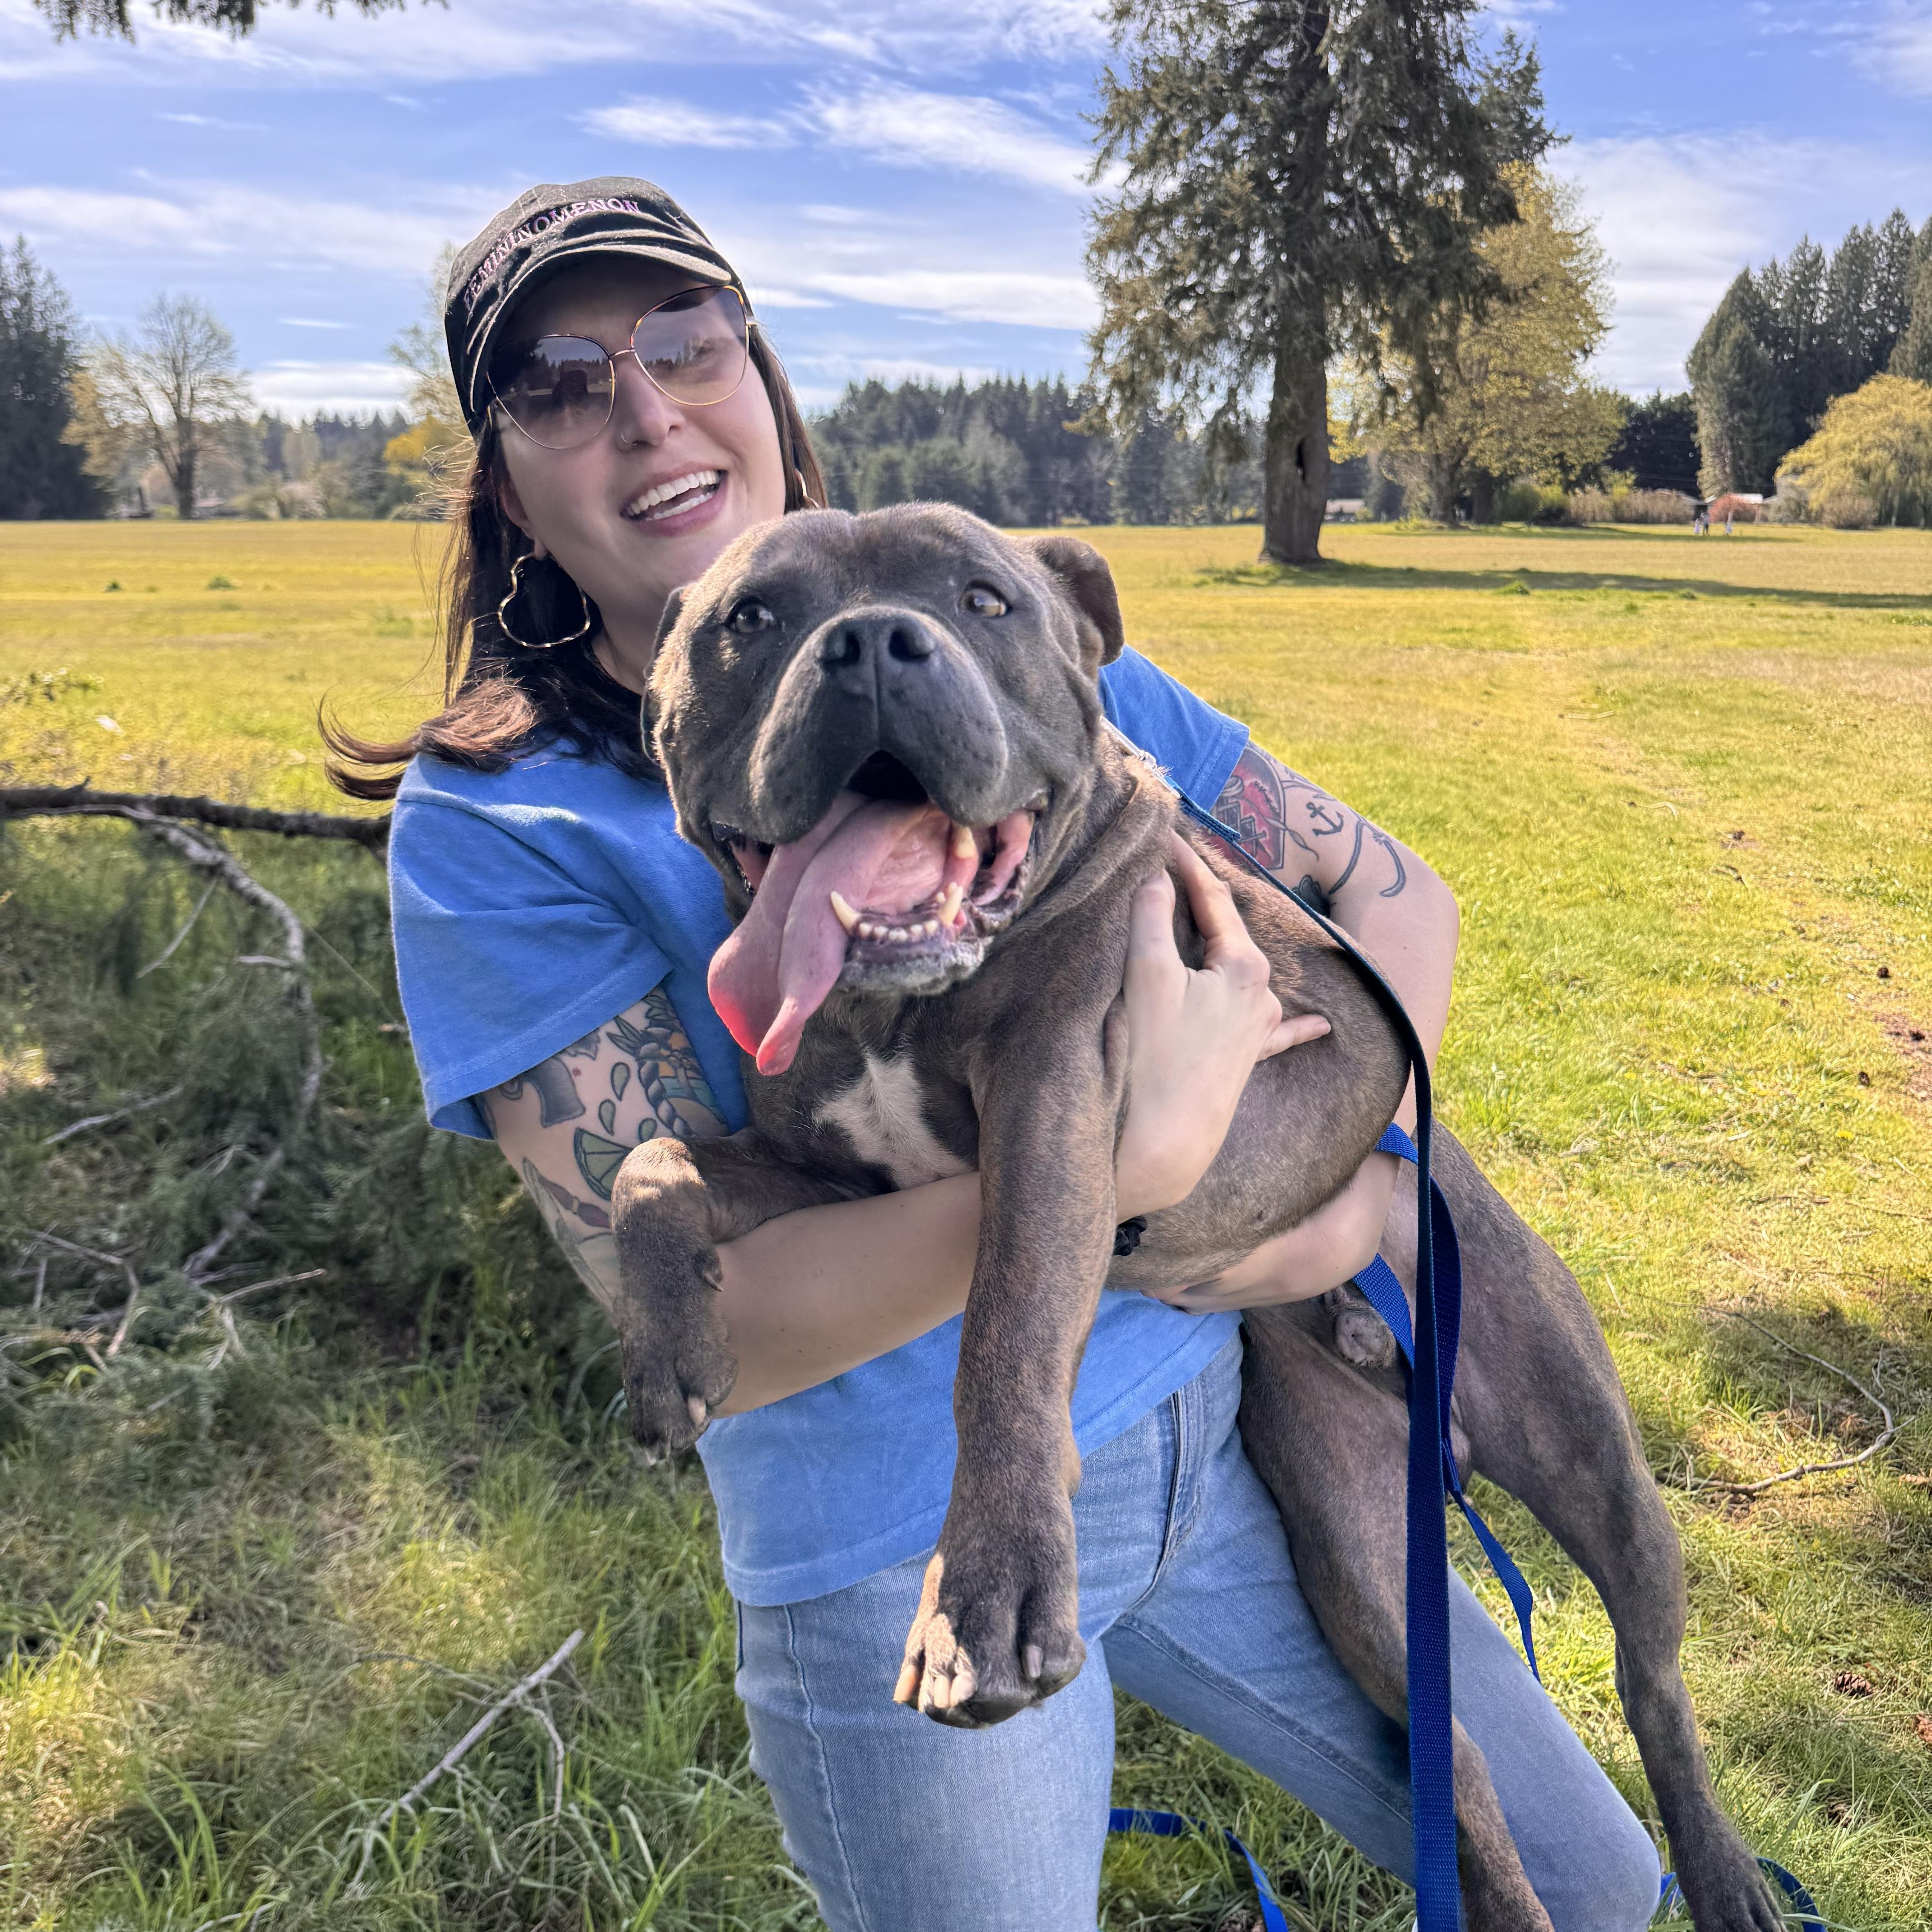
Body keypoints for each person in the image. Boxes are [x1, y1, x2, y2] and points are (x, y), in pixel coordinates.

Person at [331, 179, 1660, 1932]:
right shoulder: (493, 818)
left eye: (685, 345)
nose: (645, 409)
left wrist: (1322, 1207)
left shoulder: (1013, 637)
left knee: (1591, 1879)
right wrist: (1145, 1171)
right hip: (896, 1544)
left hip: (1223, 1438)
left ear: (762, 375)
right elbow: (726, 1320)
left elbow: (1406, 919)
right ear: (502, 476)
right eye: (564, 383)